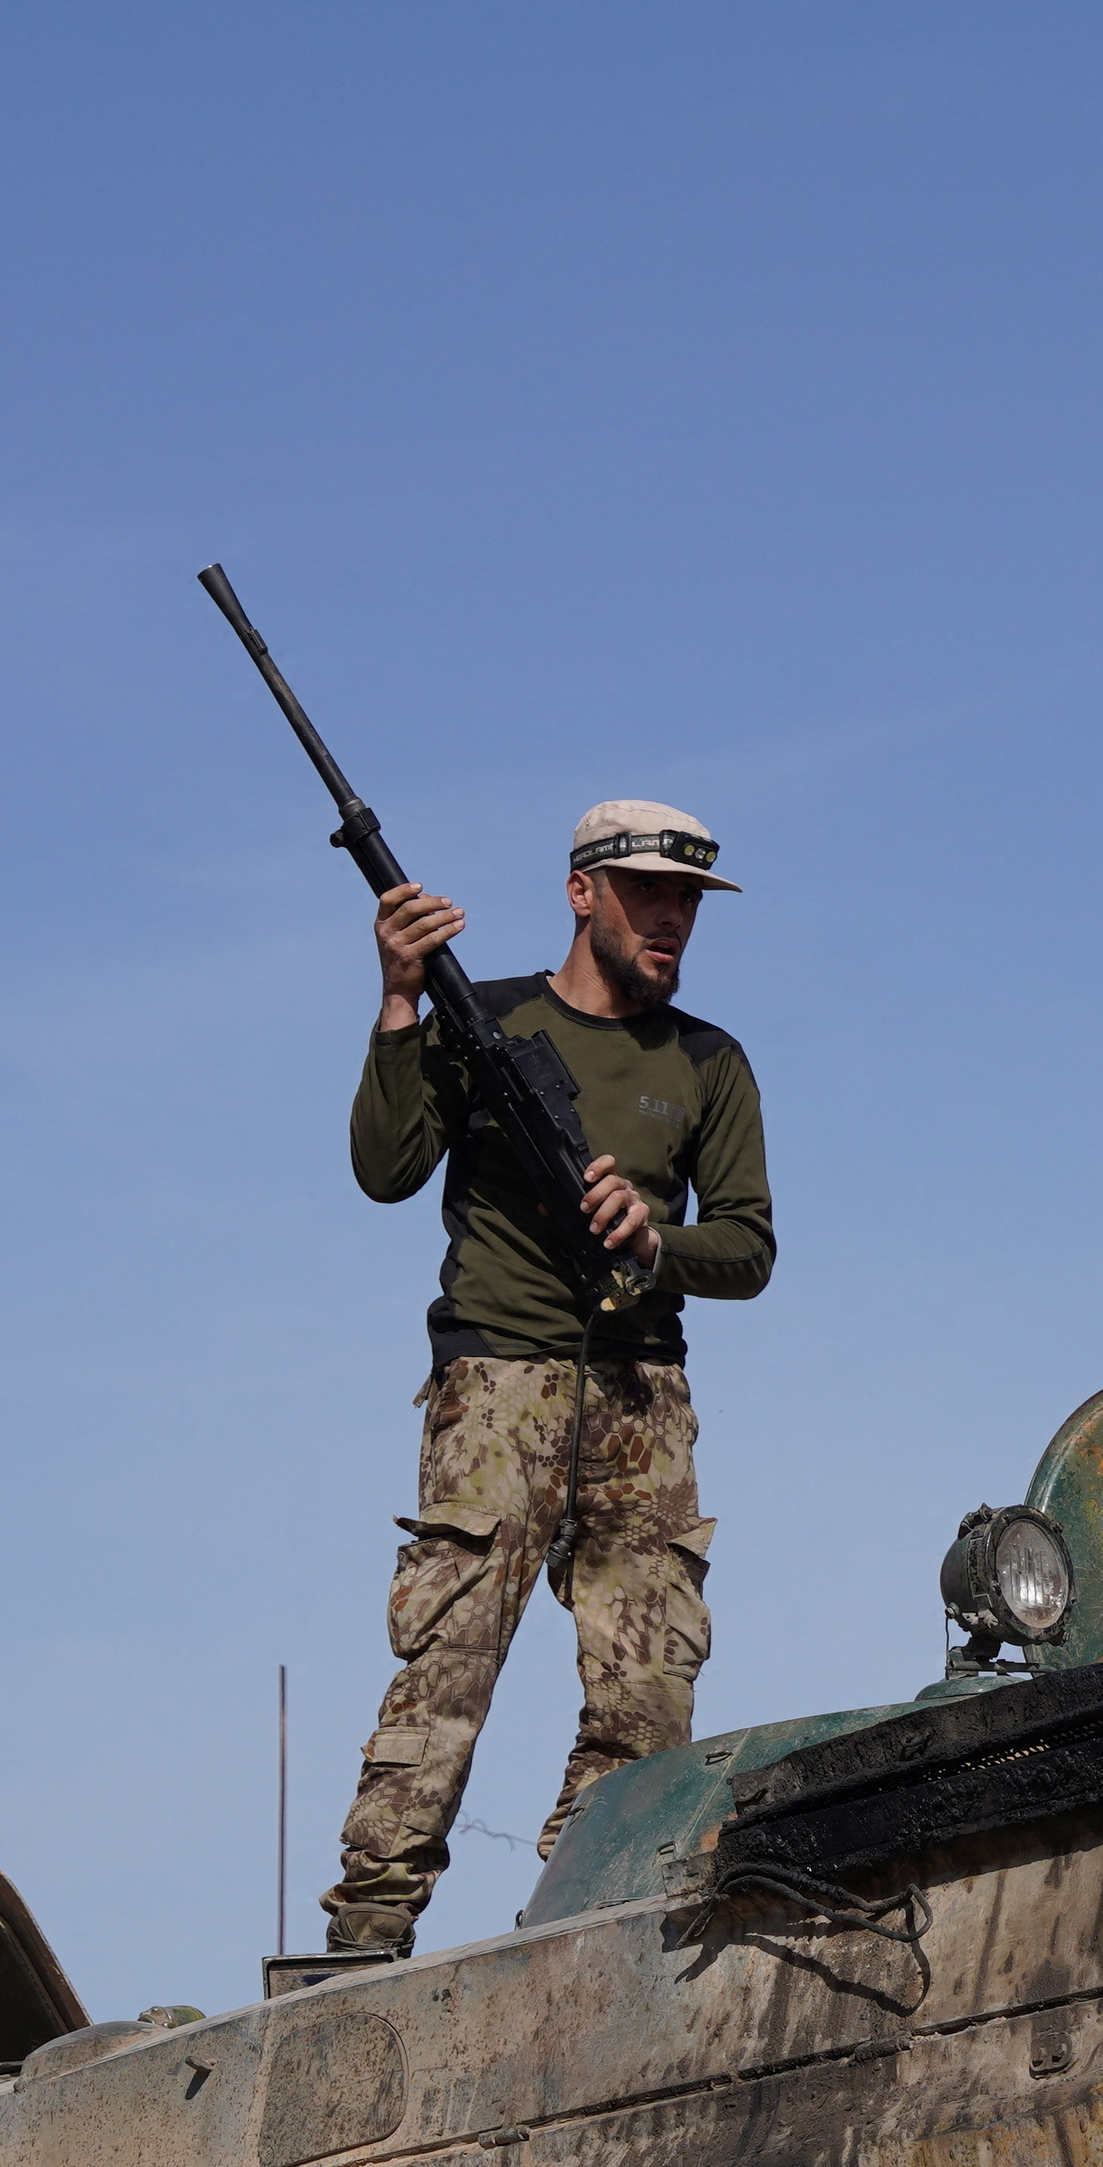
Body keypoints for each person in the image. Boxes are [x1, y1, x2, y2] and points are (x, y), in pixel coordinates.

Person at [315, 801, 775, 1961]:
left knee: (648, 1694)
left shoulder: (710, 1062)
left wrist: (656, 1239)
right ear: (584, 893)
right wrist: (400, 1000)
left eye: (687, 902)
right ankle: (364, 1939)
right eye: (648, 894)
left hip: (642, 1394)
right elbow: (384, 1168)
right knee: (451, 1663)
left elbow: (753, 1246)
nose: (671, 918)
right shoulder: (496, 1021)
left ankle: (582, 1930)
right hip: (496, 1382)